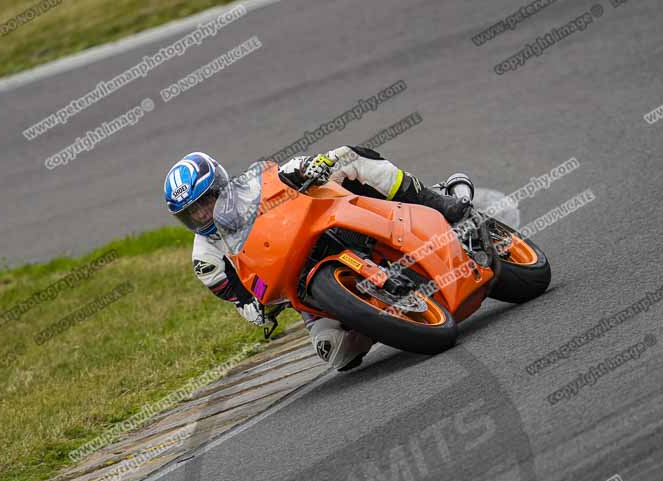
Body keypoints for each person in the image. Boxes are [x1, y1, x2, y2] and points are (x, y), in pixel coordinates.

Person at [163, 146, 470, 371]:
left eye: (206, 200)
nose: (202, 213)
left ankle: (439, 201)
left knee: (348, 158)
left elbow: (283, 172)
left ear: (220, 185)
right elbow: (239, 298)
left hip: (317, 226)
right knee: (337, 354)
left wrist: (311, 165)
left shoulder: (248, 187)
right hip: (296, 284)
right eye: (192, 212)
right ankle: (377, 315)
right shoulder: (205, 258)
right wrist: (257, 309)